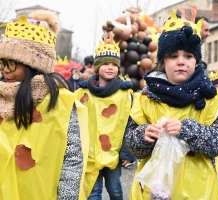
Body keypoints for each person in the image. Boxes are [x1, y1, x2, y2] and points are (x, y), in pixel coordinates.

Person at [125, 10, 218, 199]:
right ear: (162, 61)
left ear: (196, 60)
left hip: (197, 190)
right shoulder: (145, 98)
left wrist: (187, 129)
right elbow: (131, 143)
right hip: (153, 190)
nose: (181, 62)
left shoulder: (212, 99)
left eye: (188, 56)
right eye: (173, 56)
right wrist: (143, 135)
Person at [0, 11, 84, 199]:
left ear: (34, 64)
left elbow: (71, 158)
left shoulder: (59, 101)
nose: (5, 70)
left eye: (12, 63)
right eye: (2, 62)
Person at [75, 33, 134, 199]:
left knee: (115, 190)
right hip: (90, 153)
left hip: (113, 153)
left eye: (114, 64)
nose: (110, 67)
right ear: (97, 67)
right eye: (105, 64)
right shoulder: (82, 92)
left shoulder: (125, 95)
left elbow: (130, 123)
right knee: (93, 191)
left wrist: (127, 152)